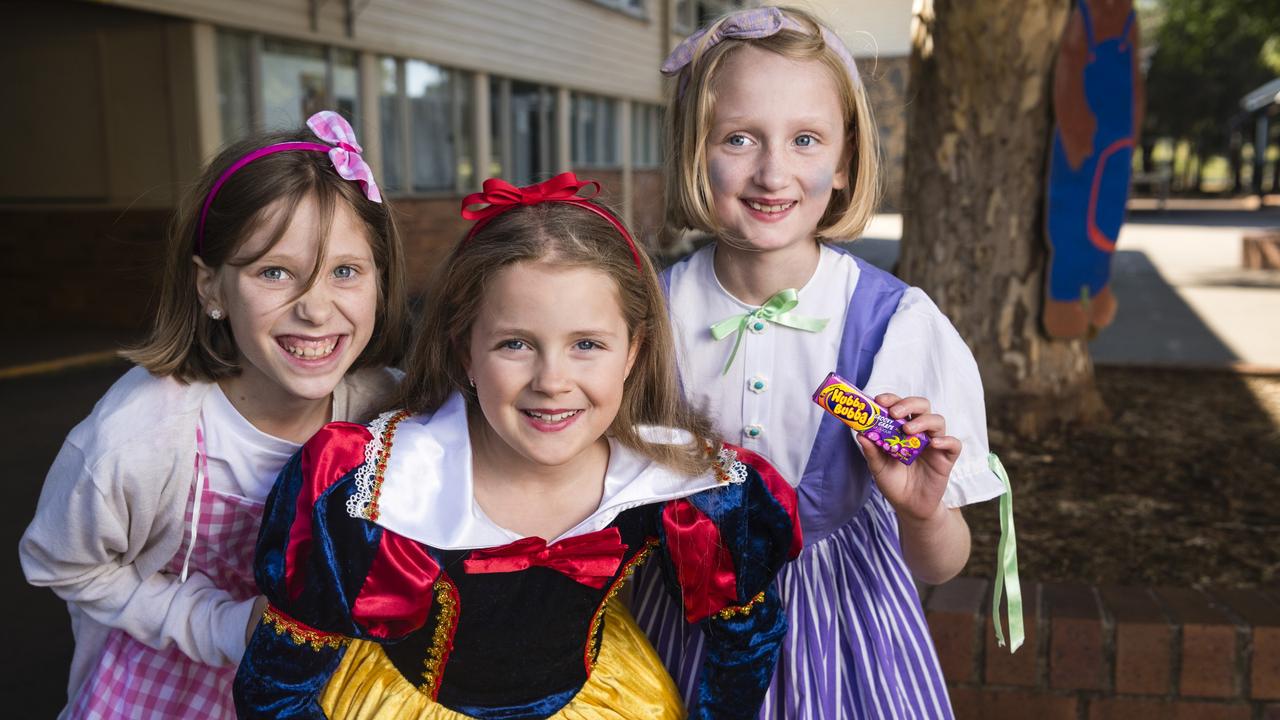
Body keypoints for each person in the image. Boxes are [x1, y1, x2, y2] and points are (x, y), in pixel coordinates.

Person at [232, 173, 802, 720]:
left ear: (633, 352)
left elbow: (747, 644)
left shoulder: (685, 488)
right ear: (464, 352)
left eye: (586, 344)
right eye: (515, 344)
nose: (551, 380)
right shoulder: (374, 488)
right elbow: (274, 689)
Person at [629, 7, 1009, 718]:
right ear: (694, 151)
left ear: (843, 161)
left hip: (850, 641)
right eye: (738, 138)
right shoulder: (644, 316)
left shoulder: (897, 325)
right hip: (680, 634)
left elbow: (942, 563)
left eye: (806, 140)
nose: (774, 172)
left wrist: (921, 513)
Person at [19, 111, 408, 719]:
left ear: (380, 281)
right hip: (167, 689)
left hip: (324, 690)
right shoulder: (136, 436)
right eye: (274, 272)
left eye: (345, 272)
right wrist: (221, 624)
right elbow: (61, 562)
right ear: (210, 289)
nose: (315, 308)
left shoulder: (393, 412)